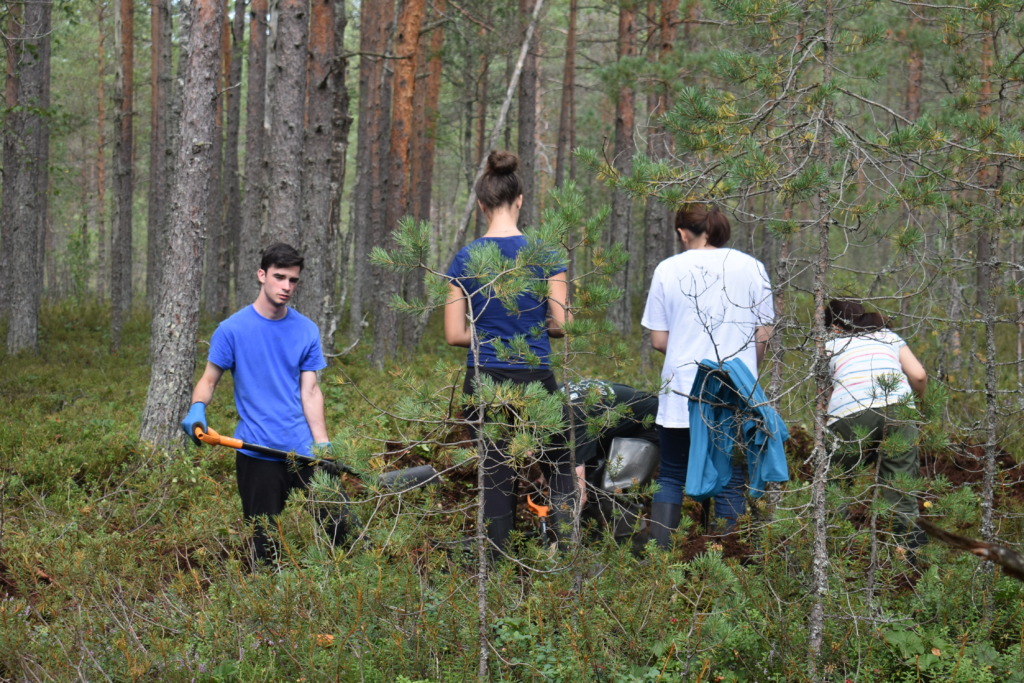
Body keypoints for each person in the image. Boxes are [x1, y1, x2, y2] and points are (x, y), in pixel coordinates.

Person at [180, 242, 347, 567]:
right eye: (279, 277)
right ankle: (266, 608)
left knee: (342, 530)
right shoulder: (232, 330)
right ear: (262, 275)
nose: (286, 286)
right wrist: (197, 407)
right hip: (257, 454)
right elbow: (209, 379)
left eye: (293, 280)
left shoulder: (306, 330)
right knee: (265, 546)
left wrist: (323, 445)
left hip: (303, 453)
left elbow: (310, 392)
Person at [445, 150, 572, 554]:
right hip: (534, 374)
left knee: (495, 472)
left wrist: (493, 338)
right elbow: (563, 324)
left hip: (485, 377)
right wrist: (535, 329)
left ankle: (496, 564)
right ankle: (563, 550)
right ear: (520, 200)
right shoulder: (545, 253)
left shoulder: (465, 258)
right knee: (558, 466)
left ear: (482, 204)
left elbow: (453, 334)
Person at [641, 204, 774, 547]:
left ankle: (660, 560)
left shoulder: (668, 269)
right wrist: (744, 370)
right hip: (734, 391)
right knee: (731, 475)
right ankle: (725, 559)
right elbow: (763, 334)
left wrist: (686, 351)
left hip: (682, 390)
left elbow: (659, 339)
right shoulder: (752, 268)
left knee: (671, 475)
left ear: (684, 232)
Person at [824, 299, 928, 550]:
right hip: (900, 409)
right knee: (900, 486)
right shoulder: (887, 336)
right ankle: (907, 554)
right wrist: (919, 405)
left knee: (833, 478)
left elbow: (827, 393)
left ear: (835, 325)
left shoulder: (829, 345)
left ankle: (840, 545)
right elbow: (919, 375)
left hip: (850, 410)